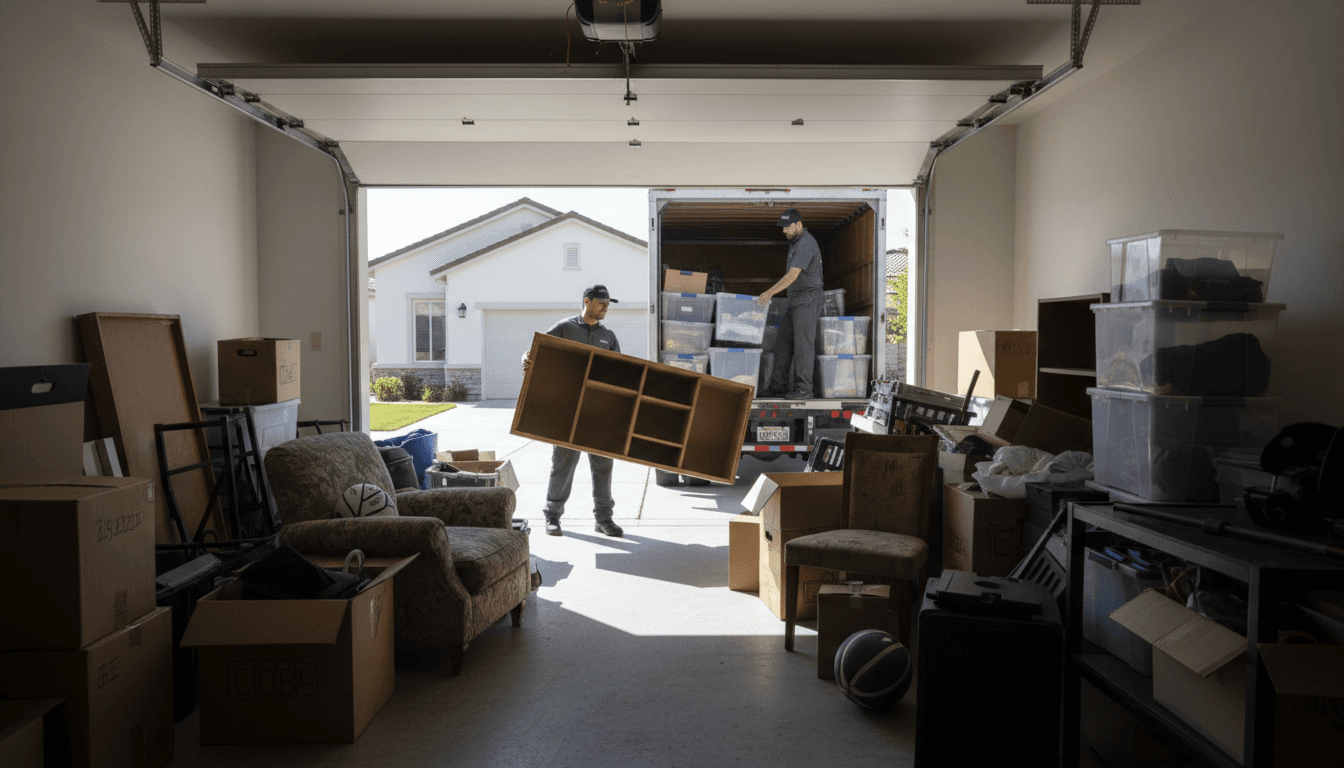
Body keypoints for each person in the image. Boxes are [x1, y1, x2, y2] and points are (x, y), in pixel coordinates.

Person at [521, 284, 625, 537]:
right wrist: (525, 357)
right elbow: (537, 350)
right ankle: (553, 516)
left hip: (597, 412)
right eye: (602, 303)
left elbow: (620, 372)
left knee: (603, 466)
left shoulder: (608, 336)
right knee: (563, 464)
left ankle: (603, 519)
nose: (606, 308)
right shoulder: (565, 327)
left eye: (608, 304)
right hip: (568, 410)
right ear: (587, 301)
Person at [756, 208, 823, 399]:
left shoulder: (806, 244)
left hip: (808, 299)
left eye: (787, 227)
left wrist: (770, 292)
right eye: (783, 227)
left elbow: (793, 275)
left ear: (798, 225)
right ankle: (778, 386)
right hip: (796, 301)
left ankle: (804, 389)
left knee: (803, 345)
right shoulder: (796, 242)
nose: (784, 231)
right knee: (783, 342)